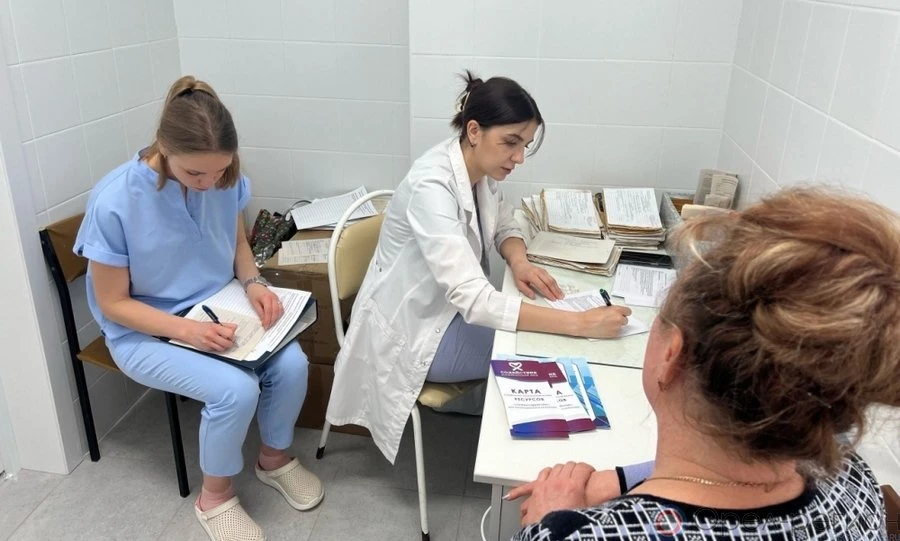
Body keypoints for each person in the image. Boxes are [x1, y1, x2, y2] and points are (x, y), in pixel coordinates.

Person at [508, 187, 900, 539]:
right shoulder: (853, 479)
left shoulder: (579, 535)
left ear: (671, 354)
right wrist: (619, 480)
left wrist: (549, 520)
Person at [325, 71, 632, 463]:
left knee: (540, 334)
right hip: (414, 330)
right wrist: (580, 323)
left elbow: (505, 223)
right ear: (474, 131)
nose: (519, 158)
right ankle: (528, 463)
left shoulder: (479, 172)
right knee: (537, 348)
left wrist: (518, 261)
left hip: (448, 313)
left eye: (525, 145)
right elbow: (473, 299)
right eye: (511, 142)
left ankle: (536, 447)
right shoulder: (431, 186)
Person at [74, 76, 324, 541]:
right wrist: (187, 331)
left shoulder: (224, 178)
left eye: (219, 173)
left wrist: (253, 284)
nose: (209, 185)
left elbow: (237, 242)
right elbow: (112, 303)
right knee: (235, 390)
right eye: (195, 175)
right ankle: (215, 497)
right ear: (164, 147)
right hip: (142, 331)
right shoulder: (115, 201)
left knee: (292, 364)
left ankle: (273, 458)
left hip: (218, 306)